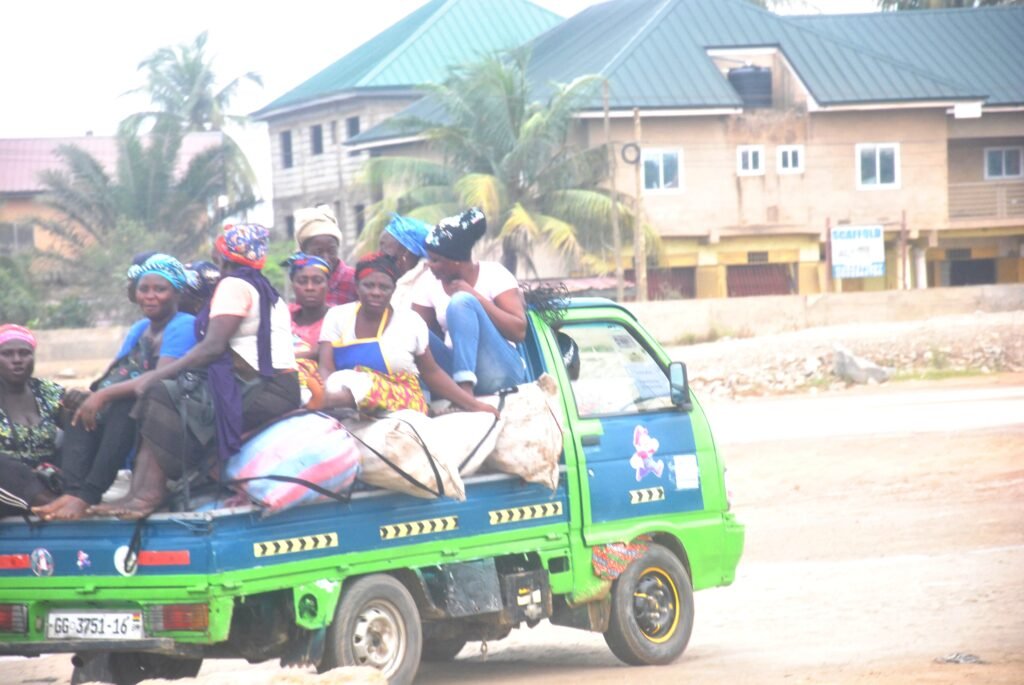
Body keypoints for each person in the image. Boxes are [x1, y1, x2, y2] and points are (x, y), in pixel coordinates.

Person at [91, 224, 300, 519]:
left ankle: (148, 493)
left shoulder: (233, 285)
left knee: (161, 392)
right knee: (165, 392)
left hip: (264, 389)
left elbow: (212, 347)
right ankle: (138, 492)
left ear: (222, 254)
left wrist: (155, 375)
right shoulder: (261, 285)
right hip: (278, 387)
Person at [34, 255, 197, 521]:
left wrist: (104, 396)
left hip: (167, 414)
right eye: (144, 289)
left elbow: (157, 378)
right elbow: (115, 374)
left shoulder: (183, 325)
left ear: (176, 292)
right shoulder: (141, 328)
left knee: (122, 404)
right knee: (79, 405)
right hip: (131, 404)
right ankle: (74, 492)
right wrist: (91, 395)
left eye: (160, 289)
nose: (150, 296)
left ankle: (89, 494)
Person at [318, 252, 498, 417]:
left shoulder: (410, 321)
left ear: (393, 289)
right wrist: (328, 388)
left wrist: (474, 405)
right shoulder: (337, 316)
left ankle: (329, 401)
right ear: (357, 286)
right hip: (345, 389)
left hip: (402, 396)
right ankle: (329, 398)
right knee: (337, 377)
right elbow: (326, 367)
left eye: (384, 287)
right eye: (369, 285)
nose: (376, 292)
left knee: (365, 382)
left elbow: (432, 373)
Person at [412, 208, 527, 396]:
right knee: (410, 323)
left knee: (462, 302)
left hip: (498, 369)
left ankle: (465, 389)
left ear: (455, 261)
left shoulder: (495, 274)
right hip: (452, 369)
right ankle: (434, 392)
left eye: (435, 260)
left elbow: (518, 331)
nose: (428, 265)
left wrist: (475, 297)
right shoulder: (427, 282)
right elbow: (420, 335)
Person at [0, 325, 66, 516]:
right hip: (6, 488)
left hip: (48, 478)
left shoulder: (47, 391)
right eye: (7, 354)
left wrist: (84, 405)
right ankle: (50, 503)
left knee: (83, 419)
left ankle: (73, 497)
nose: (17, 360)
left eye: (24, 353)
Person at [283, 252, 331, 407]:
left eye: (317, 281)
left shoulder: (337, 317)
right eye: (302, 281)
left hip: (316, 387)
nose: (310, 288)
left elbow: (320, 352)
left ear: (327, 284)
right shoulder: (283, 314)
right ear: (293, 285)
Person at [294, 205, 357, 306]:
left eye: (331, 251)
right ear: (303, 251)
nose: (326, 258)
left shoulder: (354, 279)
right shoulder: (301, 279)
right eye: (318, 252)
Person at [379, 213, 430, 311]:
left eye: (383, 245)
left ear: (406, 252)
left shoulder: (427, 282)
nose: (378, 254)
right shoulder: (390, 281)